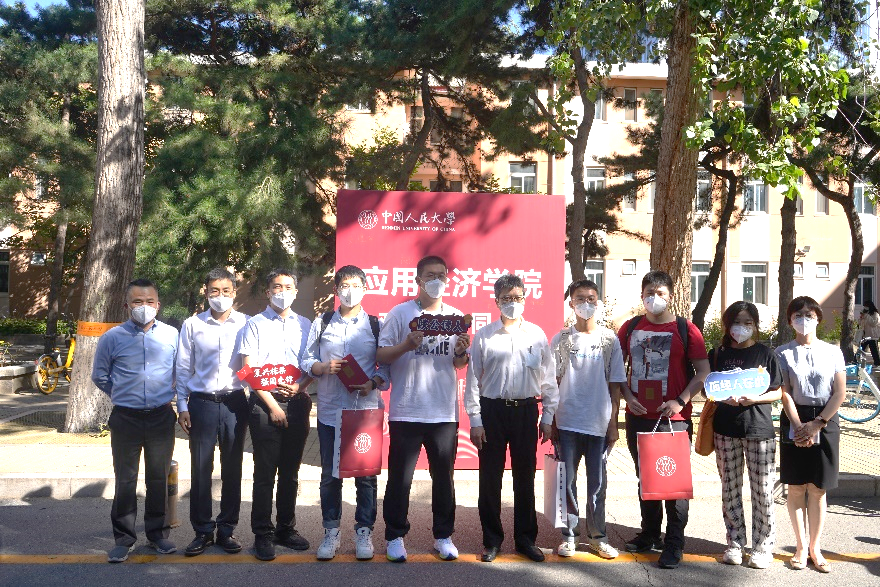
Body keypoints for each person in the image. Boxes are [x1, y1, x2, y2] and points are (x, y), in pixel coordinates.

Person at [377, 255, 470, 562]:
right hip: (407, 410)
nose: (436, 280)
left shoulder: (455, 318)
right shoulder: (400, 313)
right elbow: (381, 355)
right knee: (400, 479)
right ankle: (394, 536)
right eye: (430, 275)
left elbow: (458, 364)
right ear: (418, 280)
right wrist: (406, 345)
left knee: (443, 479)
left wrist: (461, 353)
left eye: (442, 275)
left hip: (443, 414)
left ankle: (443, 536)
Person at [618, 270, 710, 569]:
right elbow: (616, 370)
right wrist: (627, 397)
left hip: (674, 418)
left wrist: (680, 400)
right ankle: (650, 534)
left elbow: (704, 372)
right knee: (646, 478)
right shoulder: (630, 327)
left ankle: (674, 542)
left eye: (660, 293)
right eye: (649, 293)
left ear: (670, 296)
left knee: (673, 482)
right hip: (638, 417)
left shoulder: (686, 329)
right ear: (641, 295)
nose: (654, 298)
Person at [465, 273, 559, 563]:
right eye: (506, 298)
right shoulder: (485, 336)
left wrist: (548, 416)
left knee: (525, 478)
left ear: (525, 299)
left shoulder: (536, 335)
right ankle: (492, 540)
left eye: (517, 297)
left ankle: (526, 539)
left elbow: (548, 379)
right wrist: (476, 421)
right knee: (490, 479)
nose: (512, 303)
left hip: (526, 411)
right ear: (496, 302)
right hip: (492, 412)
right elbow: (473, 381)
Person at [301, 265, 389, 561]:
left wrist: (373, 382)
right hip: (330, 411)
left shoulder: (376, 325)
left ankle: (364, 531)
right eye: (344, 285)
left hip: (364, 411)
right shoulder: (323, 321)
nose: (350, 291)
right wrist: (321, 367)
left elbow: (386, 366)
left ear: (365, 288)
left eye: (355, 285)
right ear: (336, 289)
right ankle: (331, 531)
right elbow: (307, 358)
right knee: (330, 475)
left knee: (365, 477)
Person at [92, 279, 179, 563]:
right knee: (126, 480)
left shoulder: (171, 335)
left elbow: (179, 372)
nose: (144, 306)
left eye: (149, 301)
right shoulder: (112, 338)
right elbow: (100, 375)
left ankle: (157, 535)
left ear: (158, 305)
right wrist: (122, 393)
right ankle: (124, 539)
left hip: (160, 417)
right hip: (125, 418)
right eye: (137, 302)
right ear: (126, 305)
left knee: (158, 477)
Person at [237, 269, 313, 561]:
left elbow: (311, 365)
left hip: (297, 402)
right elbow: (247, 369)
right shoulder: (255, 324)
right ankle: (262, 533)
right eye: (276, 287)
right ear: (267, 292)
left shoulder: (305, 325)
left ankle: (286, 529)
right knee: (265, 473)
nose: (282, 292)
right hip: (264, 404)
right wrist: (272, 406)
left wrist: (300, 387)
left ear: (295, 291)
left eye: (288, 287)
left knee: (290, 473)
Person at [176, 268, 250, 556]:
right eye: (214, 291)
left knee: (232, 469)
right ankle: (203, 531)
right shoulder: (192, 324)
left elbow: (252, 365)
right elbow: (183, 368)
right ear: (205, 292)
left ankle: (227, 529)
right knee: (200, 469)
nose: (220, 296)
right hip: (201, 404)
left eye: (226, 291)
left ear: (235, 292)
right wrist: (182, 405)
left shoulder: (246, 323)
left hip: (234, 403)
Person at [549, 279, 625, 560]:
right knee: (567, 484)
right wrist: (552, 421)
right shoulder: (561, 339)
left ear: (598, 302)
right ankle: (570, 536)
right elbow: (553, 383)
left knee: (598, 486)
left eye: (591, 298)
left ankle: (597, 537)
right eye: (580, 299)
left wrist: (613, 424)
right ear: (571, 303)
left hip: (598, 424)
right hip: (567, 421)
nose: (586, 304)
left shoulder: (609, 340)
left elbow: (615, 385)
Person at [776, 296, 846, 573]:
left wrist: (818, 423)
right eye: (798, 315)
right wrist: (798, 425)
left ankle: (815, 547)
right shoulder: (782, 352)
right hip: (794, 417)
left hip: (825, 418)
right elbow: (785, 392)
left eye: (809, 315)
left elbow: (839, 393)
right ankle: (800, 546)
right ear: (790, 320)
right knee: (795, 487)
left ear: (818, 318)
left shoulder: (833, 351)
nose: (803, 319)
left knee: (817, 489)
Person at [709, 301, 782, 569]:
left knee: (763, 490)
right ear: (727, 325)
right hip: (725, 430)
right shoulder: (717, 354)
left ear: (755, 325)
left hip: (759, 430)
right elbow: (708, 388)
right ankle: (735, 543)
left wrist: (755, 398)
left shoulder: (766, 353)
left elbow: (778, 391)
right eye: (736, 322)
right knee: (730, 489)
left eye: (747, 322)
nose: (741, 327)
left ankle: (763, 546)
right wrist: (720, 397)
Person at [858, 300, 880, 365]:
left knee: (874, 351)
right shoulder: (865, 314)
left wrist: (867, 316)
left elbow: (873, 323)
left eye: (866, 306)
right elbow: (860, 323)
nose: (865, 307)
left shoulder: (875, 314)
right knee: (861, 349)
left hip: (872, 336)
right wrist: (861, 318)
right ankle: (856, 361)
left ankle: (877, 363)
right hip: (865, 335)